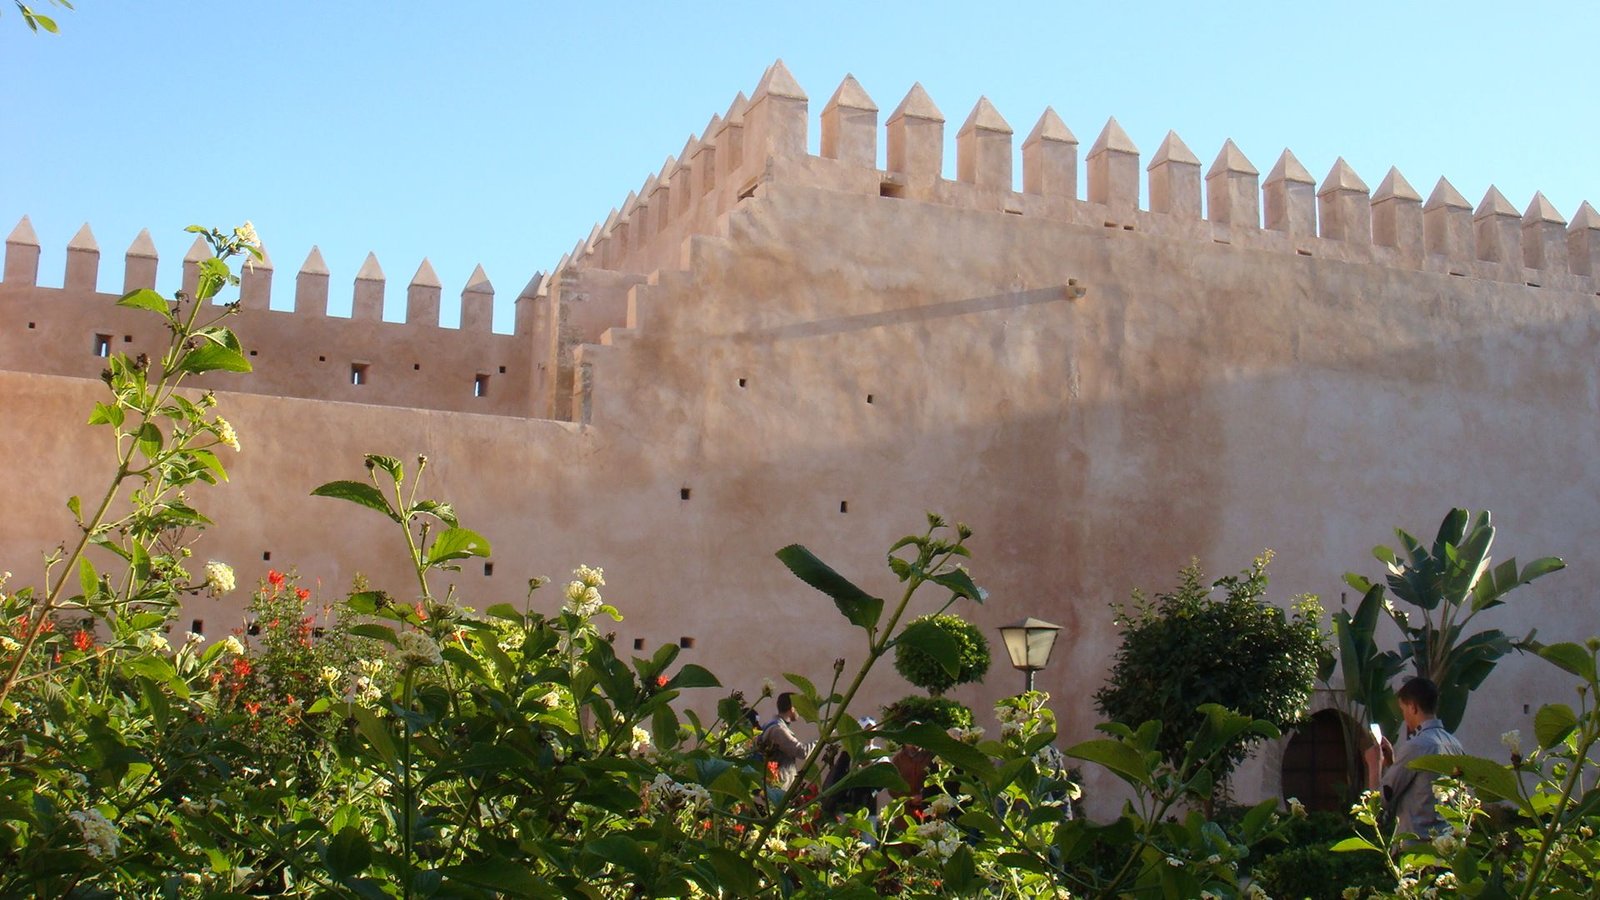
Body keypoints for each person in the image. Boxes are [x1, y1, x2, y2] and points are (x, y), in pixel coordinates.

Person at [1365, 676, 1465, 838]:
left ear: (1412, 707)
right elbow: (1420, 785)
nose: (1404, 717)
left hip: (1418, 846)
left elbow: (1380, 801)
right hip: (1448, 844)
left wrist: (1374, 765)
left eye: (1403, 710)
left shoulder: (1416, 746)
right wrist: (1392, 762)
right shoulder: (1455, 745)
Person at [760, 692, 815, 793]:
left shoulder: (774, 725)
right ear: (792, 708)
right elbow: (802, 752)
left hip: (777, 785)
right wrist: (820, 739)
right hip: (777, 788)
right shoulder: (778, 730)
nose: (801, 712)